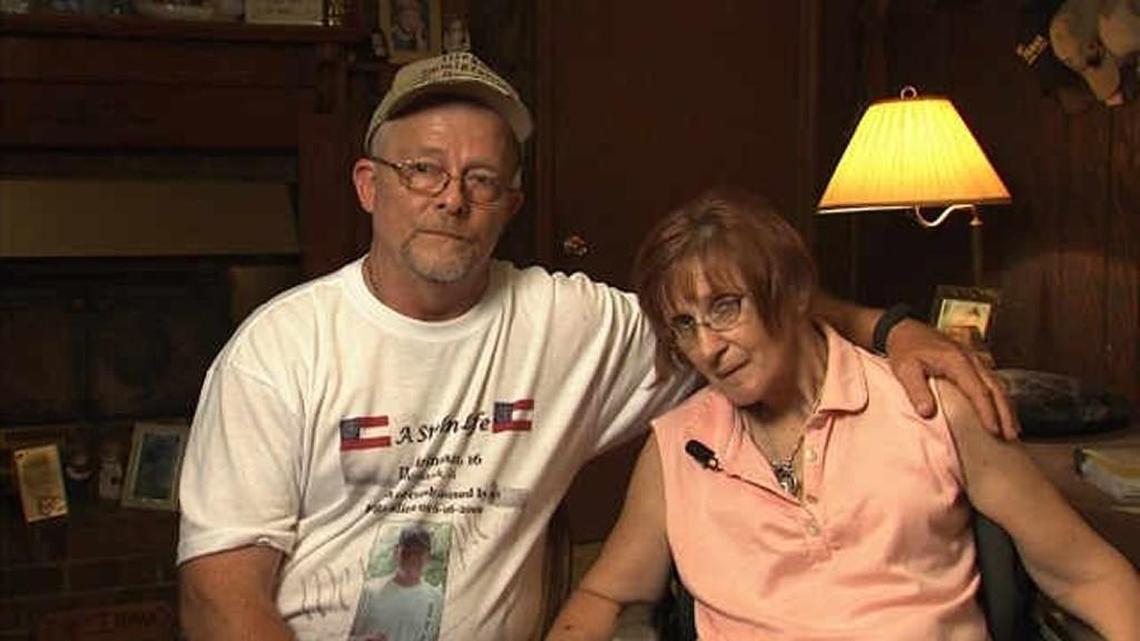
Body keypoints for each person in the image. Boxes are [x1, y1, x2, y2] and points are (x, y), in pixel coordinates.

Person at [176, 52, 1017, 641]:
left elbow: (745, 305)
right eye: (423, 171)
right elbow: (220, 597)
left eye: (481, 179)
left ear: (509, 203)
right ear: (369, 186)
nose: (451, 199)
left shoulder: (569, 322)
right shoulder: (278, 351)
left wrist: (889, 326)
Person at [546, 188, 1139, 641]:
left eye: (724, 309)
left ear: (795, 292)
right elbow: (605, 595)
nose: (706, 348)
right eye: (684, 326)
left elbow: (1088, 575)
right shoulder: (677, 447)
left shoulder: (932, 407)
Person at [350, 526, 444, 641]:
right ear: (396, 552)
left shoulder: (437, 600)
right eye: (407, 550)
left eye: (419, 552)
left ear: (428, 557)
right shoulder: (367, 591)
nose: (412, 557)